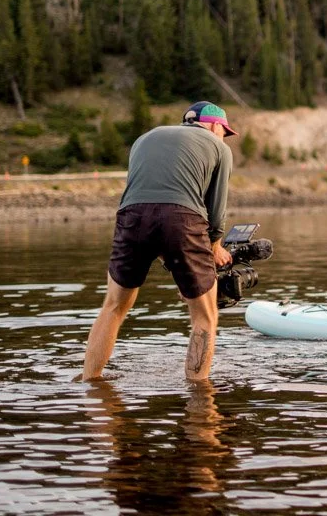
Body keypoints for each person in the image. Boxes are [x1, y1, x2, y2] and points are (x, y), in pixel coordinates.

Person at [82, 100, 238, 382]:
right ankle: (199, 396)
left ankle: (90, 383)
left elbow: (149, 203)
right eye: (224, 131)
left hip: (131, 216)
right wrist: (214, 248)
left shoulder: (145, 138)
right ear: (215, 125)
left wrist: (175, 261)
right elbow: (216, 211)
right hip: (183, 217)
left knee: (114, 306)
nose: (223, 137)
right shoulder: (219, 148)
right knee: (205, 315)